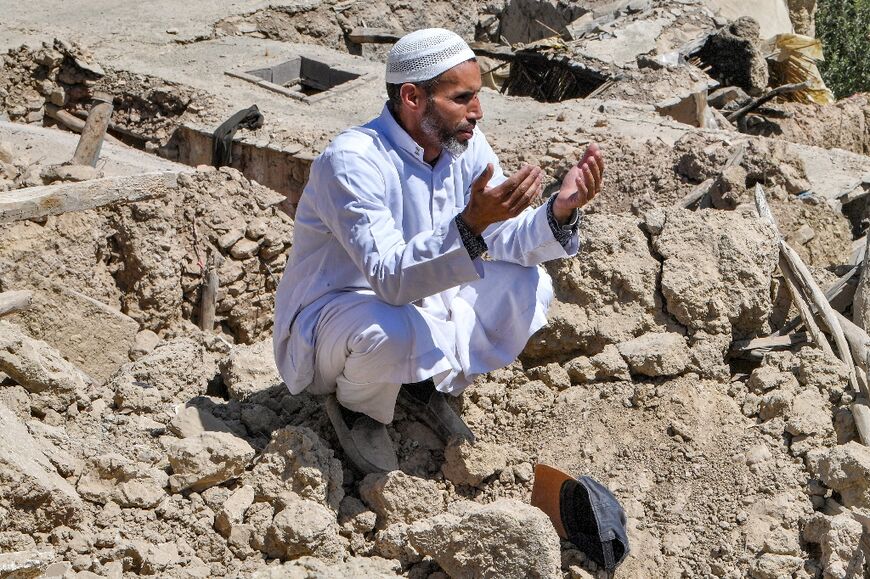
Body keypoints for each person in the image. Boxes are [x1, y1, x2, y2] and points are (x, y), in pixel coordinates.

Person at [273, 28, 604, 473]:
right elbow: (389, 278)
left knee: (526, 284)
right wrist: (471, 224)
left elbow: (503, 238)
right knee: (392, 327)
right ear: (412, 97)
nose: (478, 112)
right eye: (463, 98)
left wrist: (560, 212)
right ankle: (359, 409)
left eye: (478, 96)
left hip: (416, 302)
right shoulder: (352, 160)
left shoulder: (462, 145)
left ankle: (421, 384)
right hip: (336, 320)